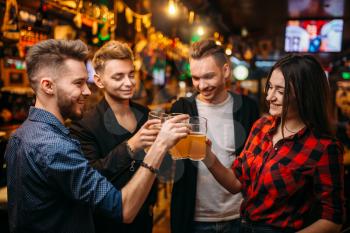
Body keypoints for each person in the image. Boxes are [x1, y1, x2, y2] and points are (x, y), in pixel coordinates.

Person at [4, 39, 189, 233]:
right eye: (79, 83)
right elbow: (122, 208)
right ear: (48, 86)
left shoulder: (22, 135)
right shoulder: (54, 145)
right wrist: (157, 146)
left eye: (131, 75)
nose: (87, 90)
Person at [203, 54, 345, 233]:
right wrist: (206, 155)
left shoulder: (324, 147)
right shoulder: (261, 127)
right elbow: (236, 183)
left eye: (280, 91)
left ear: (305, 94)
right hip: (242, 226)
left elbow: (333, 220)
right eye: (270, 87)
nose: (270, 96)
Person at [170, 39, 259, 233]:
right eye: (195, 78)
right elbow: (173, 162)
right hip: (194, 217)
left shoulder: (248, 108)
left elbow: (253, 164)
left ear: (226, 71)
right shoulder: (182, 108)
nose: (201, 85)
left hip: (238, 214)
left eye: (208, 76)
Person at [70, 40, 158, 233]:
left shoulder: (145, 114)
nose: (129, 83)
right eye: (118, 77)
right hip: (107, 221)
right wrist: (130, 146)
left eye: (131, 75)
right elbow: (90, 176)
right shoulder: (85, 125)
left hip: (145, 215)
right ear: (99, 81)